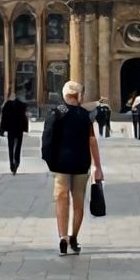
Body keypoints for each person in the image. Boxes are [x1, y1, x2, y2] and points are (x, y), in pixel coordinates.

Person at [40, 80, 103, 257]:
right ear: (78, 96)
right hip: (81, 163)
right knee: (78, 202)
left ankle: (62, 238)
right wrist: (98, 166)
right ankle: (73, 236)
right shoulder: (86, 115)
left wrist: (49, 160)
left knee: (61, 199)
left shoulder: (56, 112)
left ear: (65, 95)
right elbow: (92, 141)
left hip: (61, 164)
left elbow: (47, 138)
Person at [0, 92, 29, 174]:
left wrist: (2, 130)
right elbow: (24, 117)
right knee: (18, 147)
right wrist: (25, 128)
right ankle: (16, 162)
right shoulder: (22, 105)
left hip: (10, 129)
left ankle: (11, 165)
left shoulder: (6, 105)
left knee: (11, 147)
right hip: (19, 128)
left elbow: (4, 118)